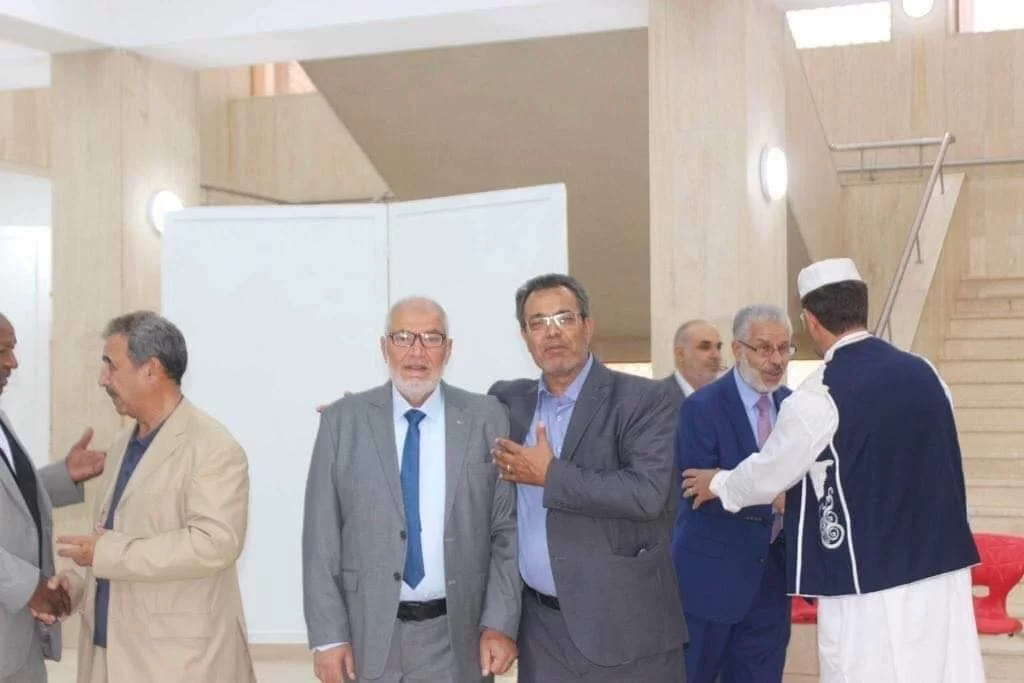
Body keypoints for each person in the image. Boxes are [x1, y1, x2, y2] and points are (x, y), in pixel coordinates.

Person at [682, 258, 984, 683]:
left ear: (810, 320)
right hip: (941, 570)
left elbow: (768, 474)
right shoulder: (926, 373)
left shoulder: (820, 392)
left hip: (868, 580)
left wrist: (718, 482)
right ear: (862, 307)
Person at [303, 297, 520, 683]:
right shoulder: (342, 421)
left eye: (431, 338)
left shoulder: (487, 417)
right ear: (384, 346)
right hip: (367, 636)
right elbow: (321, 538)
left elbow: (507, 530)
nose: (416, 351)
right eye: (403, 337)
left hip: (459, 638)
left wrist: (500, 623)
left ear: (448, 349)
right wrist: (329, 637)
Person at [489, 273, 686, 682]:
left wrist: (550, 475)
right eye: (538, 323)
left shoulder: (644, 400)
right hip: (541, 634)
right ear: (524, 337)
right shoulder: (508, 401)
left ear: (588, 326)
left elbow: (646, 494)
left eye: (564, 318)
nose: (552, 332)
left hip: (626, 631)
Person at [56, 311, 256, 683]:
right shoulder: (121, 443)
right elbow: (112, 540)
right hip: (106, 657)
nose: (103, 379)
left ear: (150, 370)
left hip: (177, 665)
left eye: (111, 366)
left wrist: (105, 553)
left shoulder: (213, 447)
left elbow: (215, 543)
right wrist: (76, 588)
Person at [672, 305, 794, 683]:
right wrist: (779, 495)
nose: (776, 360)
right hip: (710, 582)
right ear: (739, 349)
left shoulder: (794, 408)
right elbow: (697, 491)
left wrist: (725, 482)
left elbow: (805, 488)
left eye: (784, 348)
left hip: (772, 582)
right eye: (764, 348)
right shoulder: (701, 408)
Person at [0, 312, 106, 683]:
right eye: (3, 351)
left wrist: (64, 476)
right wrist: (29, 588)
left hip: (17, 638)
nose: (13, 362)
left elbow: (12, 498)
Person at [662, 319, 723, 408]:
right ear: (681, 354)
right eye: (705, 347)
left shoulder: (727, 401)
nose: (716, 356)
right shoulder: (655, 399)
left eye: (718, 347)